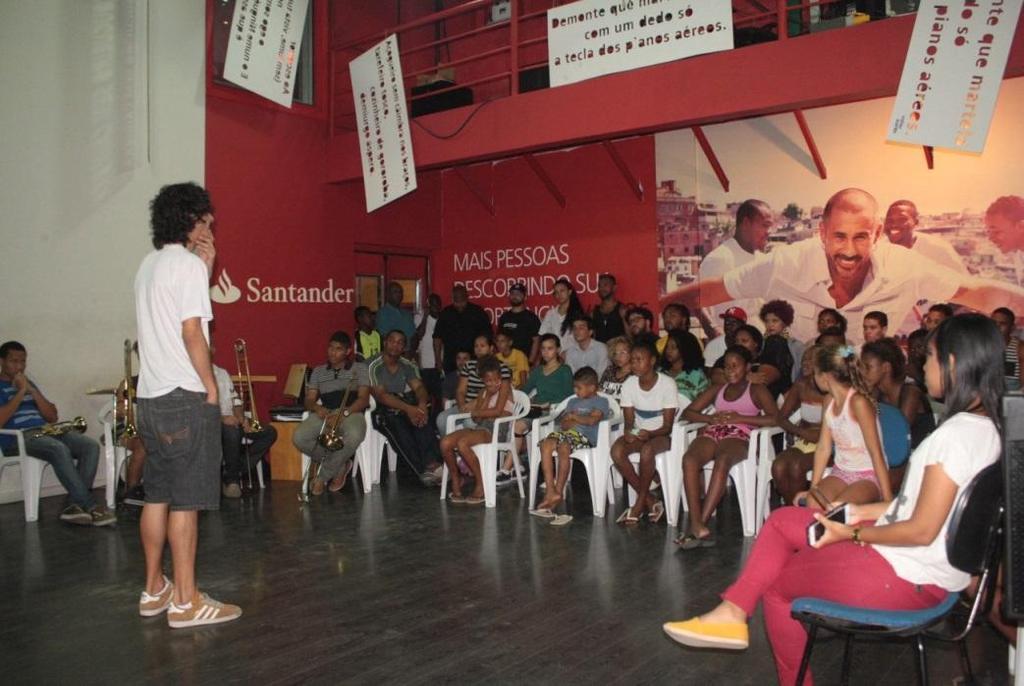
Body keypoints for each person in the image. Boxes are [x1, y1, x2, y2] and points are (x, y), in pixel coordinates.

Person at [663, 314, 1004, 686]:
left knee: (777, 590)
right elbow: (920, 511)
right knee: (781, 522)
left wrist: (852, 534)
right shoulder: (987, 429)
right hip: (915, 566)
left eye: (931, 356)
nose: (923, 364)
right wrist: (857, 512)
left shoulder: (952, 438)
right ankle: (731, 610)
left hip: (906, 578)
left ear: (953, 363)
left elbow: (921, 530)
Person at [663, 188, 1024, 343]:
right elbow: (702, 292)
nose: (849, 251)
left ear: (878, 233)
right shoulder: (785, 263)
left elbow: (980, 291)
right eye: (839, 237)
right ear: (821, 233)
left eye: (861, 237)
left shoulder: (907, 267)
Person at [133, 182, 240, 627]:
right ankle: (186, 602)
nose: (211, 225)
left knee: (156, 495)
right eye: (205, 220)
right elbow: (193, 333)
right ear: (189, 221)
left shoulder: (149, 264)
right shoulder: (187, 268)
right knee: (186, 503)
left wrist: (207, 266)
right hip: (184, 397)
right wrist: (209, 388)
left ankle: (154, 590)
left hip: (150, 400)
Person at [0, 341, 114, 526]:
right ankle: (91, 506)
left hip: (44, 432)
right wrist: (21, 392)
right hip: (19, 437)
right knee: (58, 448)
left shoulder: (30, 383)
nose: (19, 366)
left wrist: (32, 391)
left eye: (23, 361)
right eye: (14, 361)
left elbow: (51, 416)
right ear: (2, 361)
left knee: (90, 446)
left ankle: (73, 506)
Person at [677, 346, 777, 549]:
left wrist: (741, 418)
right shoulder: (718, 389)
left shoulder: (756, 389)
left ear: (748, 367)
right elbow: (688, 413)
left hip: (740, 434)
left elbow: (776, 418)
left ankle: (700, 524)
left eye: (735, 365)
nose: (730, 370)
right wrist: (710, 418)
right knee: (689, 459)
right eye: (726, 366)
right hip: (714, 431)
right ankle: (697, 523)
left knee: (722, 461)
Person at [794, 345, 893, 511]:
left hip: (868, 475)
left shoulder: (858, 403)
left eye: (815, 372)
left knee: (838, 510)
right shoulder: (828, 401)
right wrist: (813, 488)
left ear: (825, 376)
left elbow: (876, 452)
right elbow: (824, 448)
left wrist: (887, 498)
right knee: (813, 503)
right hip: (841, 472)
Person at [610, 340, 679, 524]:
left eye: (639, 359)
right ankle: (650, 499)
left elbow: (668, 426)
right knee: (616, 451)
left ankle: (639, 503)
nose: (634, 364)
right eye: (632, 360)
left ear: (653, 361)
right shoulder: (630, 384)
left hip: (662, 435)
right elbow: (629, 421)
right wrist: (628, 432)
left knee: (647, 451)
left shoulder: (667, 384)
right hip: (641, 433)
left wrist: (650, 434)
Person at [292, 331, 370, 495]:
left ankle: (322, 477)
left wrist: (345, 413)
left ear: (348, 351)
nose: (332, 352)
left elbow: (363, 399)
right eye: (330, 348)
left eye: (338, 349)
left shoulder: (359, 368)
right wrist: (316, 408)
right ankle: (340, 465)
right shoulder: (319, 371)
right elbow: (309, 399)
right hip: (325, 413)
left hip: (351, 412)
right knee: (299, 437)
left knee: (355, 435)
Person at [531, 366, 610, 522]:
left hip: (585, 437)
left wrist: (575, 417)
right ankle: (551, 491)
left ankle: (559, 491)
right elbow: (564, 424)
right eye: (575, 387)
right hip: (567, 433)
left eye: (579, 387)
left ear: (592, 387)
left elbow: (593, 420)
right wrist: (576, 419)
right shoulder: (573, 401)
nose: (575, 391)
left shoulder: (601, 401)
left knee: (564, 446)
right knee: (545, 444)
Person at [369, 330, 444, 486]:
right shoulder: (373, 365)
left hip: (404, 404)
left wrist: (421, 405)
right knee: (400, 429)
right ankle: (423, 471)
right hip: (382, 410)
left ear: (404, 347)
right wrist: (409, 409)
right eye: (392, 341)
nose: (395, 345)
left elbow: (419, 388)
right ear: (385, 342)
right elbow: (381, 396)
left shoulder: (407, 364)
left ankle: (434, 465)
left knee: (422, 421)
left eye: (400, 342)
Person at [439, 356, 513, 505]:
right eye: (488, 381)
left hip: (496, 430)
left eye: (495, 379)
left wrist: (479, 412)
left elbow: (498, 411)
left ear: (500, 377)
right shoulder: (483, 393)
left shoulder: (506, 388)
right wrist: (485, 401)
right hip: (480, 428)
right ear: (483, 381)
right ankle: (456, 478)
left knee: (463, 443)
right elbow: (477, 419)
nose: (493, 383)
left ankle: (481, 483)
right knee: (445, 442)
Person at [698, 199, 773, 335]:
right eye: (765, 225)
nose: (769, 232)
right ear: (746, 223)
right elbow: (697, 301)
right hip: (731, 347)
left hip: (762, 346)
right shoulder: (719, 258)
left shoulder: (763, 260)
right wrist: (715, 333)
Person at [769, 344, 828, 506]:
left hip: (830, 446)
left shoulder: (832, 388)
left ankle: (800, 512)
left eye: (811, 360)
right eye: (804, 360)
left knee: (796, 466)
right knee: (779, 466)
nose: (805, 363)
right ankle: (791, 510)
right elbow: (781, 418)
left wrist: (816, 436)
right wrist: (800, 431)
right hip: (804, 440)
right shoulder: (801, 384)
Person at [212, 355, 277, 498]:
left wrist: (242, 418)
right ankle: (232, 481)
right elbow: (198, 409)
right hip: (215, 422)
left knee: (269, 431)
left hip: (236, 419)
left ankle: (235, 467)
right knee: (232, 431)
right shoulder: (194, 375)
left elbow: (236, 401)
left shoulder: (222, 373)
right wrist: (223, 418)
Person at [861, 337, 935, 450]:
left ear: (886, 367)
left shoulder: (911, 392)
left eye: (868, 367)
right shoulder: (876, 392)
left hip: (919, 453)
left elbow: (899, 433)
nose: (863, 372)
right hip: (894, 452)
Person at [435, 333, 513, 438]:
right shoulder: (469, 365)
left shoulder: (501, 367)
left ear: (491, 348)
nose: (478, 349)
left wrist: (474, 407)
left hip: (485, 408)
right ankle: (452, 448)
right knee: (441, 419)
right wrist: (462, 407)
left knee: (469, 422)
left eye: (482, 346)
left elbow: (497, 395)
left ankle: (465, 447)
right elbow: (460, 391)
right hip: (465, 405)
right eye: (476, 346)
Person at [883, 199, 967, 273]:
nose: (894, 224)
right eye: (889, 220)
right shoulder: (880, 251)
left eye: (902, 219)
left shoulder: (938, 249)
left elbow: (969, 285)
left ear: (916, 222)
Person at [713, 324, 792, 400]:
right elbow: (716, 377)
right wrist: (745, 379)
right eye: (736, 341)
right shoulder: (729, 357)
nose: (739, 344)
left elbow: (762, 379)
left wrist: (735, 379)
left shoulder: (765, 358)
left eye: (744, 341)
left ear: (755, 343)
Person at [433, 284, 492, 378]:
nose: (460, 304)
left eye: (462, 300)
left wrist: (485, 358)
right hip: (451, 362)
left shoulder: (478, 312)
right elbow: (437, 338)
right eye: (456, 300)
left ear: (467, 297)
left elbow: (488, 337)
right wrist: (438, 360)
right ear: (452, 298)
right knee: (452, 387)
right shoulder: (446, 313)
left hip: (475, 360)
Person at [413, 293, 443, 422]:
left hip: (440, 364)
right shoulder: (419, 317)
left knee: (440, 397)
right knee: (425, 397)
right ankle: (426, 422)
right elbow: (419, 335)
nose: (435, 307)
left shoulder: (443, 318)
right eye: (433, 304)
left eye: (437, 304)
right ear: (428, 305)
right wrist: (425, 315)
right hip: (425, 365)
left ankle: (435, 422)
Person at [760, 299, 804, 384]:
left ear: (784, 322)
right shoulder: (759, 343)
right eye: (767, 321)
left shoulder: (797, 346)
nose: (770, 325)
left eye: (775, 320)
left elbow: (801, 372)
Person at [497, 282, 541, 363]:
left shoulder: (531, 317)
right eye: (512, 293)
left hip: (523, 362)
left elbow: (536, 341)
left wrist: (530, 362)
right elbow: (499, 340)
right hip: (505, 362)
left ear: (525, 297)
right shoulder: (504, 317)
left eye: (518, 293)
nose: (515, 296)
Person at [659, 329, 708, 402]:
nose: (668, 351)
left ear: (684, 348)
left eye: (673, 347)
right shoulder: (660, 372)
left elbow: (704, 402)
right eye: (667, 347)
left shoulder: (697, 375)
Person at [539, 277, 585, 352]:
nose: (559, 295)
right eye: (556, 292)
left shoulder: (578, 313)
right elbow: (543, 335)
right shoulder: (550, 314)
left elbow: (581, 339)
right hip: (553, 357)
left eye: (562, 291)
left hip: (573, 356)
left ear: (569, 292)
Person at [703, 307, 746, 371]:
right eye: (727, 321)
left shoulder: (748, 344)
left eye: (733, 322)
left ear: (743, 326)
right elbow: (709, 375)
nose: (728, 325)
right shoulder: (712, 346)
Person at [375, 281, 415, 346]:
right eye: (395, 292)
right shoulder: (383, 313)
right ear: (388, 295)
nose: (399, 294)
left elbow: (413, 335)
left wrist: (412, 350)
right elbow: (385, 337)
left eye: (400, 292)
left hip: (410, 353)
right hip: (395, 353)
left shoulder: (407, 313)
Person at [591, 273, 628, 343]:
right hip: (600, 352)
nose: (602, 288)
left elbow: (630, 336)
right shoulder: (593, 313)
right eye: (599, 286)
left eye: (605, 285)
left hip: (617, 352)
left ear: (614, 287)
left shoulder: (622, 310)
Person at [992, 307, 1022, 390]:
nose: (997, 327)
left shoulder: (1019, 347)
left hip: (1012, 395)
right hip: (988, 394)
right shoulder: (983, 346)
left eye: (1002, 324)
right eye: (994, 323)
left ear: (1012, 327)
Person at [599, 336, 633, 401]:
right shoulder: (609, 370)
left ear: (631, 353)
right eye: (615, 353)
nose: (618, 357)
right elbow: (600, 390)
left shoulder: (634, 374)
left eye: (622, 352)